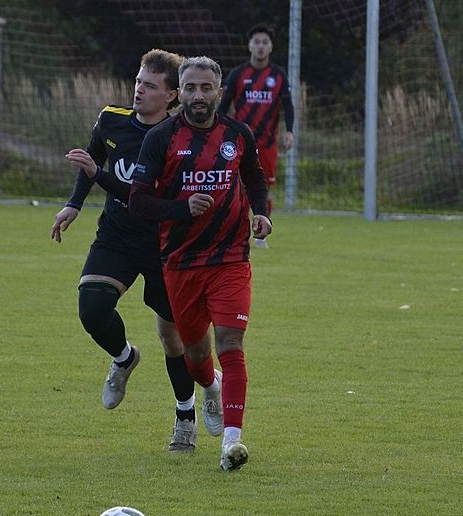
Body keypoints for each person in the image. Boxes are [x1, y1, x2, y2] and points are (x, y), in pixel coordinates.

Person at [50, 50, 223, 454]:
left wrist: (99, 177)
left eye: (149, 86)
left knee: (173, 339)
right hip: (117, 235)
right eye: (138, 82)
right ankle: (124, 358)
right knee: (92, 307)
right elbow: (92, 158)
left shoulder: (179, 139)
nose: (138, 90)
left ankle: (186, 417)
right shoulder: (112, 119)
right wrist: (75, 202)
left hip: (166, 243)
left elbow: (147, 200)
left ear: (172, 97)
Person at [129, 56, 272, 471]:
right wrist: (181, 207)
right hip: (181, 262)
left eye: (206, 87)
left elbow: (255, 176)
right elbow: (138, 202)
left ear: (218, 92)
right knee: (195, 356)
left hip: (230, 259)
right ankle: (210, 386)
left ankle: (232, 442)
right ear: (181, 92)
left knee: (231, 344)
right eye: (190, 88)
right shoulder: (160, 138)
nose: (197, 95)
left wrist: (261, 212)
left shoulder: (237, 134)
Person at [217, 23, 295, 247]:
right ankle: (236, 230)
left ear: (270, 47)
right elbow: (224, 105)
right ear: (249, 46)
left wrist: (289, 131)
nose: (260, 46)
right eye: (257, 42)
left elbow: (288, 106)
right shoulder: (238, 74)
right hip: (241, 141)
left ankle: (261, 233)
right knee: (237, 186)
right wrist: (219, 131)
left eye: (265, 42)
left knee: (263, 187)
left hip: (268, 141)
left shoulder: (278, 75)